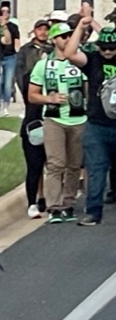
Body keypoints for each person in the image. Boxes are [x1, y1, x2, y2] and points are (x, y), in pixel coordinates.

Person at [29, 22, 89, 223]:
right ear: (54, 40)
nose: (67, 39)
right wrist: (50, 99)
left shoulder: (80, 62)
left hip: (79, 119)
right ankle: (54, 206)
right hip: (54, 119)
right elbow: (32, 95)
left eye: (70, 36)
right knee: (56, 164)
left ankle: (68, 203)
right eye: (63, 36)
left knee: (74, 165)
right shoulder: (43, 65)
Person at [77, 25, 116, 225]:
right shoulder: (92, 60)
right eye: (104, 47)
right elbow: (71, 53)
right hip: (97, 123)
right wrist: (81, 25)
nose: (107, 51)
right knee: (96, 168)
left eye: (111, 48)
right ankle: (93, 211)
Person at [16, 19, 50, 218]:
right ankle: (34, 200)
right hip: (33, 109)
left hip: (51, 111)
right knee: (35, 161)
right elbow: (20, 74)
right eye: (40, 29)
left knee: (52, 161)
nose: (43, 32)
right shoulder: (26, 51)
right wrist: (30, 94)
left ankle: (45, 196)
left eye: (46, 29)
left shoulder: (51, 49)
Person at [0, 1, 19, 116]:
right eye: (3, 11)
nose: (5, 14)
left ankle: (5, 105)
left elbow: (10, 41)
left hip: (10, 56)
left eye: (7, 11)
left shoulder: (12, 27)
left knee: (8, 83)